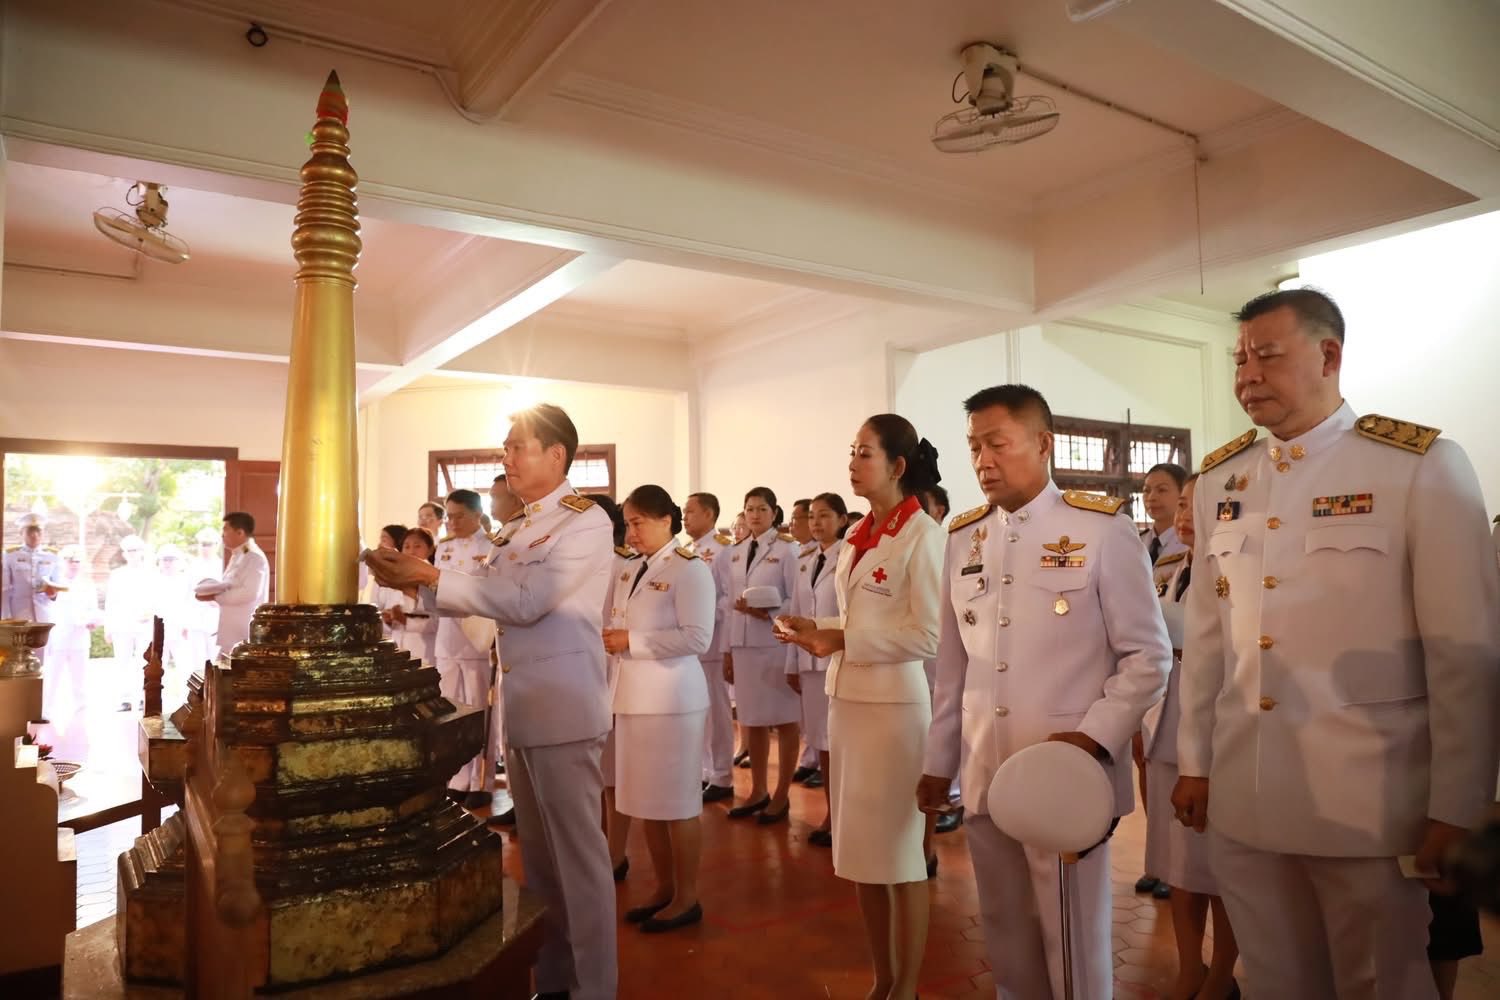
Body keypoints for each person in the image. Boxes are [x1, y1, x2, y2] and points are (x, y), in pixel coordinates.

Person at [1171, 289, 1500, 1000]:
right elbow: (1207, 642)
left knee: (1381, 984)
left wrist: (1460, 805)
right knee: (1274, 983)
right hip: (1247, 796)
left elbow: (1464, 652)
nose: (1247, 374)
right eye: (1239, 359)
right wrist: (1195, 761)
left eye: (1266, 355)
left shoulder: (1418, 466)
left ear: (1329, 356)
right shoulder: (1224, 479)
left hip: (1372, 806)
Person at [919, 384, 1170, 1000]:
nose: (982, 460)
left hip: (1067, 779)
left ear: (1043, 443)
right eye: (974, 446)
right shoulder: (964, 538)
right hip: (984, 772)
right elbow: (954, 669)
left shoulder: (1100, 530)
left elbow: (1148, 655)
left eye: (997, 444)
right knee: (1005, 929)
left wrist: (1091, 740)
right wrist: (937, 763)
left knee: (1072, 938)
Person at [366, 402, 617, 1000]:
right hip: (529, 706)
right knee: (543, 862)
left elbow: (528, 601)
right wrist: (414, 583)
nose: (506, 458)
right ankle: (556, 980)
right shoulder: (522, 527)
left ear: (556, 456)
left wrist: (430, 577)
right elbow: (488, 596)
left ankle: (595, 989)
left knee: (578, 862)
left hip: (564, 705)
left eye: (517, 447)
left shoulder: (584, 522)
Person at [779, 415, 945, 1000]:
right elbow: (858, 622)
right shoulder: (858, 535)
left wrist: (844, 640)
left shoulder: (924, 536)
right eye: (851, 451)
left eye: (865, 453)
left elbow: (928, 636)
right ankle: (883, 979)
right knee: (862, 857)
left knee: (900, 859)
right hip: (848, 707)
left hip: (894, 715)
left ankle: (907, 987)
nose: (853, 463)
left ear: (898, 467)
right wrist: (817, 627)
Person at [1140, 474, 1240, 1000]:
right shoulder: (1165, 567)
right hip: (1165, 719)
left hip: (1218, 723)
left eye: (1193, 505)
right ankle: (1189, 967)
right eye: (1181, 505)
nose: (1182, 515)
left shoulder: (1239, 570)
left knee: (1220, 867)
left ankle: (1223, 973)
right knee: (1179, 863)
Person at [604, 485, 714, 933]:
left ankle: (687, 896)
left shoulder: (690, 570)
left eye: (638, 523)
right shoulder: (633, 569)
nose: (631, 533)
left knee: (678, 802)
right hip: (633, 698)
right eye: (627, 523)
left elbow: (697, 638)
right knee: (645, 802)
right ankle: (663, 888)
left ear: (666, 520)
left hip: (673, 702)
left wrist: (635, 641)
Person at [719, 486, 800, 823]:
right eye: (749, 508)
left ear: (774, 513)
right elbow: (727, 603)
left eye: (762, 509)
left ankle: (782, 794)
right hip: (743, 645)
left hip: (774, 643)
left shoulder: (787, 551)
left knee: (783, 719)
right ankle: (758, 790)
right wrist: (726, 651)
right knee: (750, 719)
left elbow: (796, 601)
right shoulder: (734, 552)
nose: (754, 515)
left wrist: (766, 612)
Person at [1134, 461, 1189, 899]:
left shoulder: (1188, 551)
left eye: (1163, 490)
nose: (1153, 498)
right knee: (1148, 766)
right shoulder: (1139, 544)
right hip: (1146, 674)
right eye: (1147, 490)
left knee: (1175, 772)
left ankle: (1176, 865)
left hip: (1181, 675)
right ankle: (1157, 860)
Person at [785, 492, 848, 846]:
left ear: (841, 520)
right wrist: (792, 661)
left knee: (838, 741)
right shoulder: (806, 559)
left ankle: (840, 816)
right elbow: (796, 610)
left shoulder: (850, 555)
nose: (816, 523)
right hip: (809, 662)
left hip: (837, 658)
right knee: (822, 742)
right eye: (812, 516)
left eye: (825, 516)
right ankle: (831, 812)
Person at [433, 489, 499, 809]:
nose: (453, 522)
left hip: (477, 640)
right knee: (451, 711)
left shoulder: (493, 546)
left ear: (476, 514)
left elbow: (489, 596)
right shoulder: (443, 548)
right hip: (448, 639)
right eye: (449, 516)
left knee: (479, 712)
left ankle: (481, 781)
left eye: (459, 516)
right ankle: (457, 779)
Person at [683, 492, 736, 803]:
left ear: (709, 515)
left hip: (713, 643)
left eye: (691, 512)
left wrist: (702, 615)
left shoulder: (722, 551)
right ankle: (704, 771)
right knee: (699, 712)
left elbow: (729, 599)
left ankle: (722, 775)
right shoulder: (690, 551)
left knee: (717, 713)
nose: (685, 517)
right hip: (693, 647)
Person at [597, 494, 636, 878]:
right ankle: (596, 847)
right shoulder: (573, 563)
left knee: (611, 772)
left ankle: (615, 852)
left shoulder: (625, 565)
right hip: (577, 677)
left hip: (609, 673)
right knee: (587, 773)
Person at [196, 513, 269, 660]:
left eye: (225, 530)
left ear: (240, 532)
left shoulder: (253, 558)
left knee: (230, 677)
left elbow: (250, 593)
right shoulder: (238, 555)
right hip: (231, 633)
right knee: (219, 674)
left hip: (243, 634)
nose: (222, 535)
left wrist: (216, 597)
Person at [45, 544, 98, 747]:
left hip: (80, 637)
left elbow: (93, 609)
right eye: (69, 560)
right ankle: (46, 710)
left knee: (80, 678)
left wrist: (92, 620)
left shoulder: (87, 584)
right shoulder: (54, 582)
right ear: (63, 562)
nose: (73, 565)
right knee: (53, 676)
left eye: (77, 561)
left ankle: (81, 712)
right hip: (59, 636)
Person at [107, 533, 155, 709]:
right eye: (128, 551)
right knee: (122, 662)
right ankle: (124, 699)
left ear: (141, 551)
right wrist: (108, 628)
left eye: (135, 550)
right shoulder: (117, 575)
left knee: (143, 662)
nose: (132, 553)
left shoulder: (151, 573)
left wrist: (151, 615)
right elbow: (110, 602)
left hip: (144, 624)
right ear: (124, 554)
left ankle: (144, 697)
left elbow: (156, 599)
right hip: (122, 625)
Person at [3, 514, 60, 663]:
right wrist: (5, 616)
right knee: (16, 657)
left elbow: (58, 588)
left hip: (43, 615)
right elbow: (5, 589)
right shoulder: (10, 555)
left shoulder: (52, 556)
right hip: (18, 615)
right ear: (22, 533)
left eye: (38, 531)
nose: (34, 535)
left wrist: (53, 594)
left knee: (41, 660)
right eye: (30, 531)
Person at [387, 528, 437, 666]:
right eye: (406, 546)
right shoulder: (395, 576)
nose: (411, 551)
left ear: (430, 549)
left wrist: (405, 620)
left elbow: (438, 622)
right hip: (398, 645)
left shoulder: (433, 578)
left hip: (423, 648)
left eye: (417, 546)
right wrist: (389, 619)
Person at [184, 526, 222, 671]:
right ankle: (199, 692)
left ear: (216, 545)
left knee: (215, 657)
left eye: (208, 544)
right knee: (197, 659)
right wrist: (185, 622)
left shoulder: (223, 564)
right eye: (202, 544)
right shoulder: (192, 566)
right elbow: (187, 594)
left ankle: (214, 691)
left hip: (215, 617)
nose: (205, 548)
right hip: (195, 617)